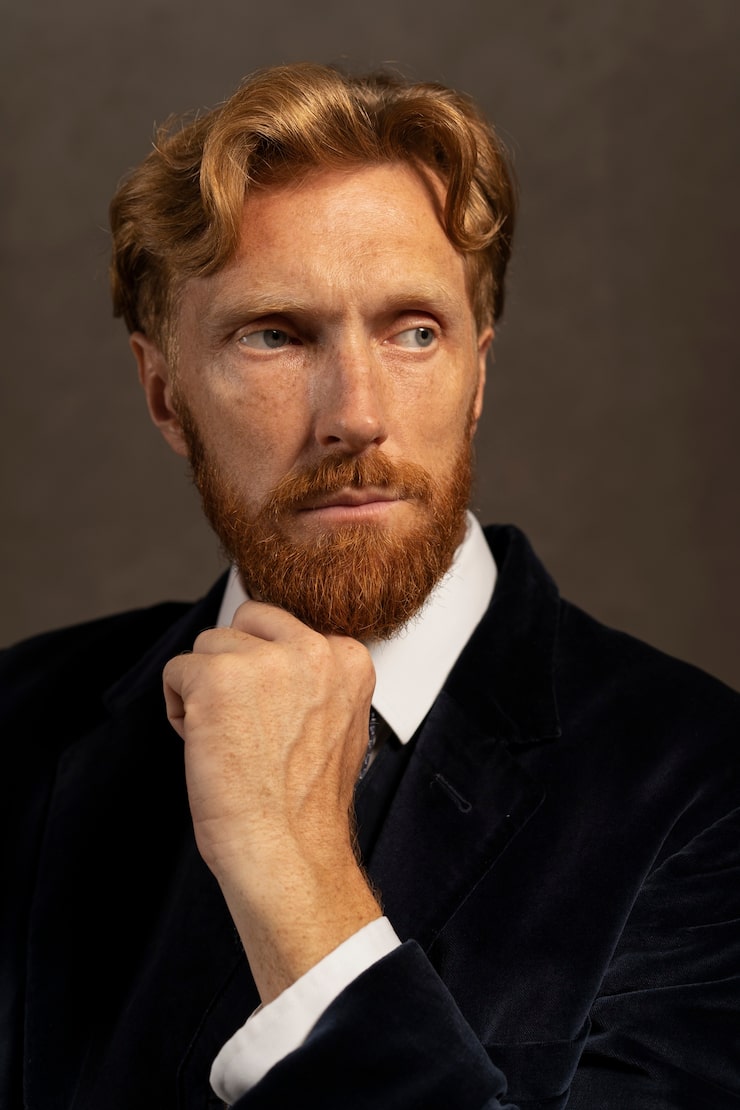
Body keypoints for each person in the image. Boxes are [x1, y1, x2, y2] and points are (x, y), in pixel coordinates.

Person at [2, 62, 739, 1110]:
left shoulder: (705, 785)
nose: (355, 415)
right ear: (165, 395)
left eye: (413, 332)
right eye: (275, 334)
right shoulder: (17, 731)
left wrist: (297, 880)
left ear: (476, 375)